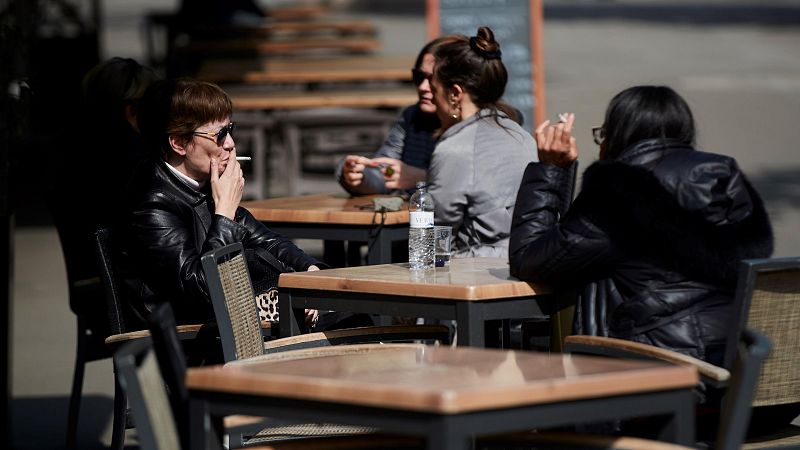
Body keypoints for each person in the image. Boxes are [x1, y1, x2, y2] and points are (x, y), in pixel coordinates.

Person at [509, 85, 773, 369]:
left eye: (603, 134)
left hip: (654, 370)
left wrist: (551, 168)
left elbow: (530, 258)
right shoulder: (725, 178)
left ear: (618, 134)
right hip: (737, 362)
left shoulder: (616, 192)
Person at [119, 78, 323, 332]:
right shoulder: (152, 204)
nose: (230, 143)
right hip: (192, 340)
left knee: (345, 313)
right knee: (347, 321)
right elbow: (204, 290)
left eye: (230, 129)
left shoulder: (202, 184)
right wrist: (224, 213)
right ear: (179, 143)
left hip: (229, 324)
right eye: (219, 134)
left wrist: (309, 268)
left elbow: (267, 241)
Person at [423, 26, 538, 257]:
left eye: (435, 91)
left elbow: (436, 233)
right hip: (528, 260)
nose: (433, 100)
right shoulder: (521, 135)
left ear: (455, 94)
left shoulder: (455, 148)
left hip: (477, 272)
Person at [336, 36, 457, 195]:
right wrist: (357, 175)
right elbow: (387, 174)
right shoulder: (412, 117)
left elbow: (478, 189)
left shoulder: (476, 127)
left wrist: (422, 179)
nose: (423, 87)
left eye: (433, 79)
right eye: (419, 77)